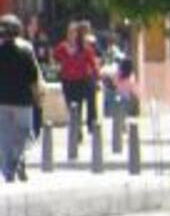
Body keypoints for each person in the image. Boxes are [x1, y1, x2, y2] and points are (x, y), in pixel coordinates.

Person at [0, 13, 43, 182]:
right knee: (25, 135)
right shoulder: (26, 52)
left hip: (2, 101)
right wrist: (38, 99)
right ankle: (19, 162)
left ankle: (8, 171)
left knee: (4, 137)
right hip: (23, 102)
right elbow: (33, 79)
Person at [52, 20, 101, 130]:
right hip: (67, 81)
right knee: (70, 105)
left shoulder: (85, 48)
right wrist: (58, 66)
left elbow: (93, 64)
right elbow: (54, 57)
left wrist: (97, 78)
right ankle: (75, 127)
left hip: (81, 80)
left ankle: (77, 130)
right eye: (70, 32)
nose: (72, 35)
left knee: (78, 105)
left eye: (74, 32)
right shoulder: (62, 47)